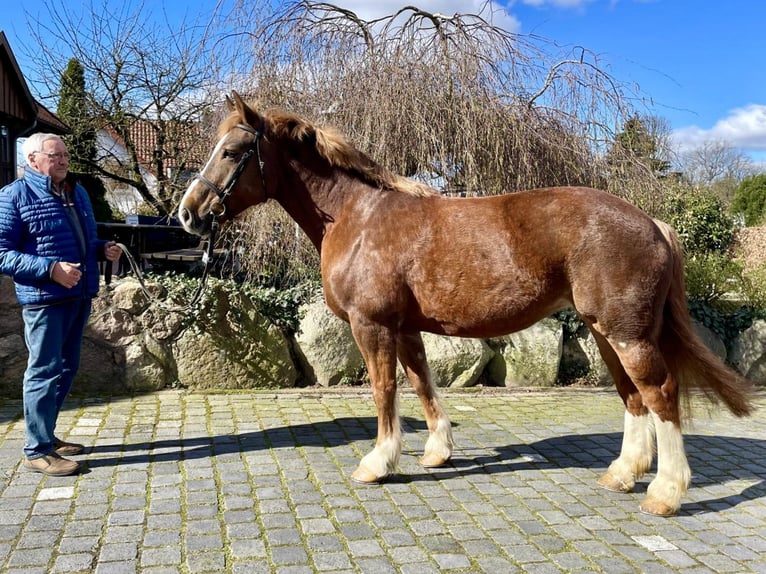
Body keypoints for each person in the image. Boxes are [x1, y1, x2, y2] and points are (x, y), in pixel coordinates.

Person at [0, 133, 122, 477]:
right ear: (34, 160)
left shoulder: (75, 192)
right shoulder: (13, 196)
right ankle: (36, 450)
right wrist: (51, 269)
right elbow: (2, 253)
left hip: (78, 294)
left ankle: (46, 436)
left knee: (66, 368)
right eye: (56, 156)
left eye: (66, 155)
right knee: (43, 371)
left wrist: (101, 249)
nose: (64, 161)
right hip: (44, 301)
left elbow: (81, 241)